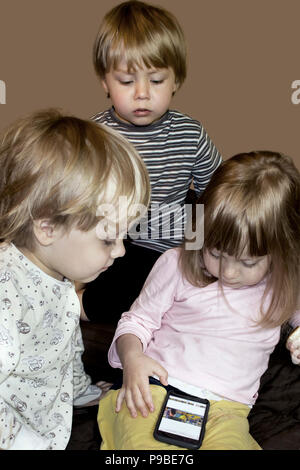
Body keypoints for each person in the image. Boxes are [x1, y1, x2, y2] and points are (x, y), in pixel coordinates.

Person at [97, 151, 300, 450]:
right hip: (157, 389)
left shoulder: (285, 283)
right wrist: (132, 358)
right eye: (216, 254)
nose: (228, 272)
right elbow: (137, 321)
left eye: (247, 262)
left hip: (228, 410)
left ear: (282, 251)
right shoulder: (176, 263)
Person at [0, 108, 150, 450]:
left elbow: (65, 343)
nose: (121, 252)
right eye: (108, 239)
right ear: (47, 227)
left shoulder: (59, 277)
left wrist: (81, 391)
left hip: (50, 422)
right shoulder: (7, 294)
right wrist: (19, 441)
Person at [79, 0, 222, 322]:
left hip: (166, 242)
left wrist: (201, 241)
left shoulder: (190, 133)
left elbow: (216, 192)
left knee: (205, 286)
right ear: (105, 82)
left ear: (176, 81)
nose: (142, 93)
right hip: (111, 236)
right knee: (109, 286)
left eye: (156, 80)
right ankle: (73, 304)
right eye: (127, 82)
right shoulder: (97, 134)